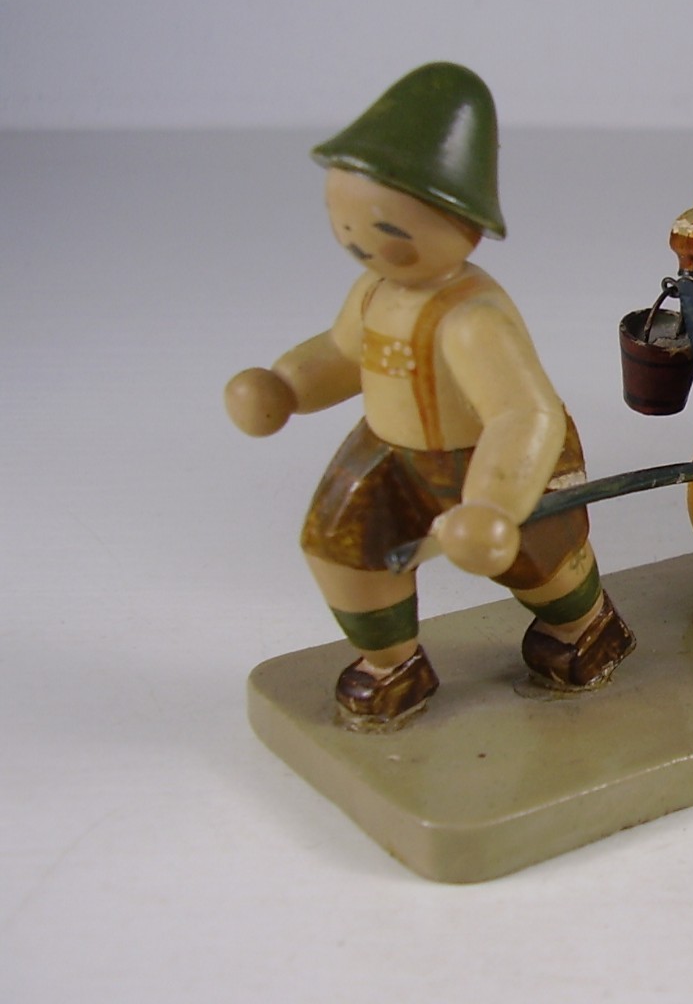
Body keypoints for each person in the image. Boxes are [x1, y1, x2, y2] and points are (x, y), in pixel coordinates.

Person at [225, 63, 633, 730]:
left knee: (542, 564)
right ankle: (392, 663)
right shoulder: (373, 292)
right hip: (389, 453)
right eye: (343, 224)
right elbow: (341, 354)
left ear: (464, 225)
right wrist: (286, 385)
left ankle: (586, 626)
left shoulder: (473, 319)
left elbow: (522, 413)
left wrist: (494, 502)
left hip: (494, 459)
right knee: (341, 545)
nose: (358, 243)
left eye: (385, 232)